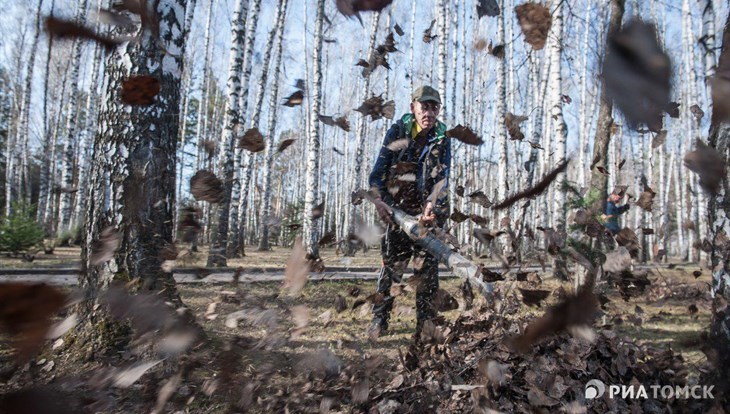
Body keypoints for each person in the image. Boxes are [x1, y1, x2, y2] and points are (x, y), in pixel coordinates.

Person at [367, 85, 451, 336]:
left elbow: (442, 178)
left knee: (427, 271)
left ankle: (425, 326)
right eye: (424, 106)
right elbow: (377, 173)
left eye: (434, 107)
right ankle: (379, 320)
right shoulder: (398, 132)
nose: (429, 112)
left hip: (427, 216)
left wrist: (431, 207)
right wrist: (379, 201)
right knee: (392, 267)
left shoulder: (442, 138)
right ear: (412, 107)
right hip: (396, 212)